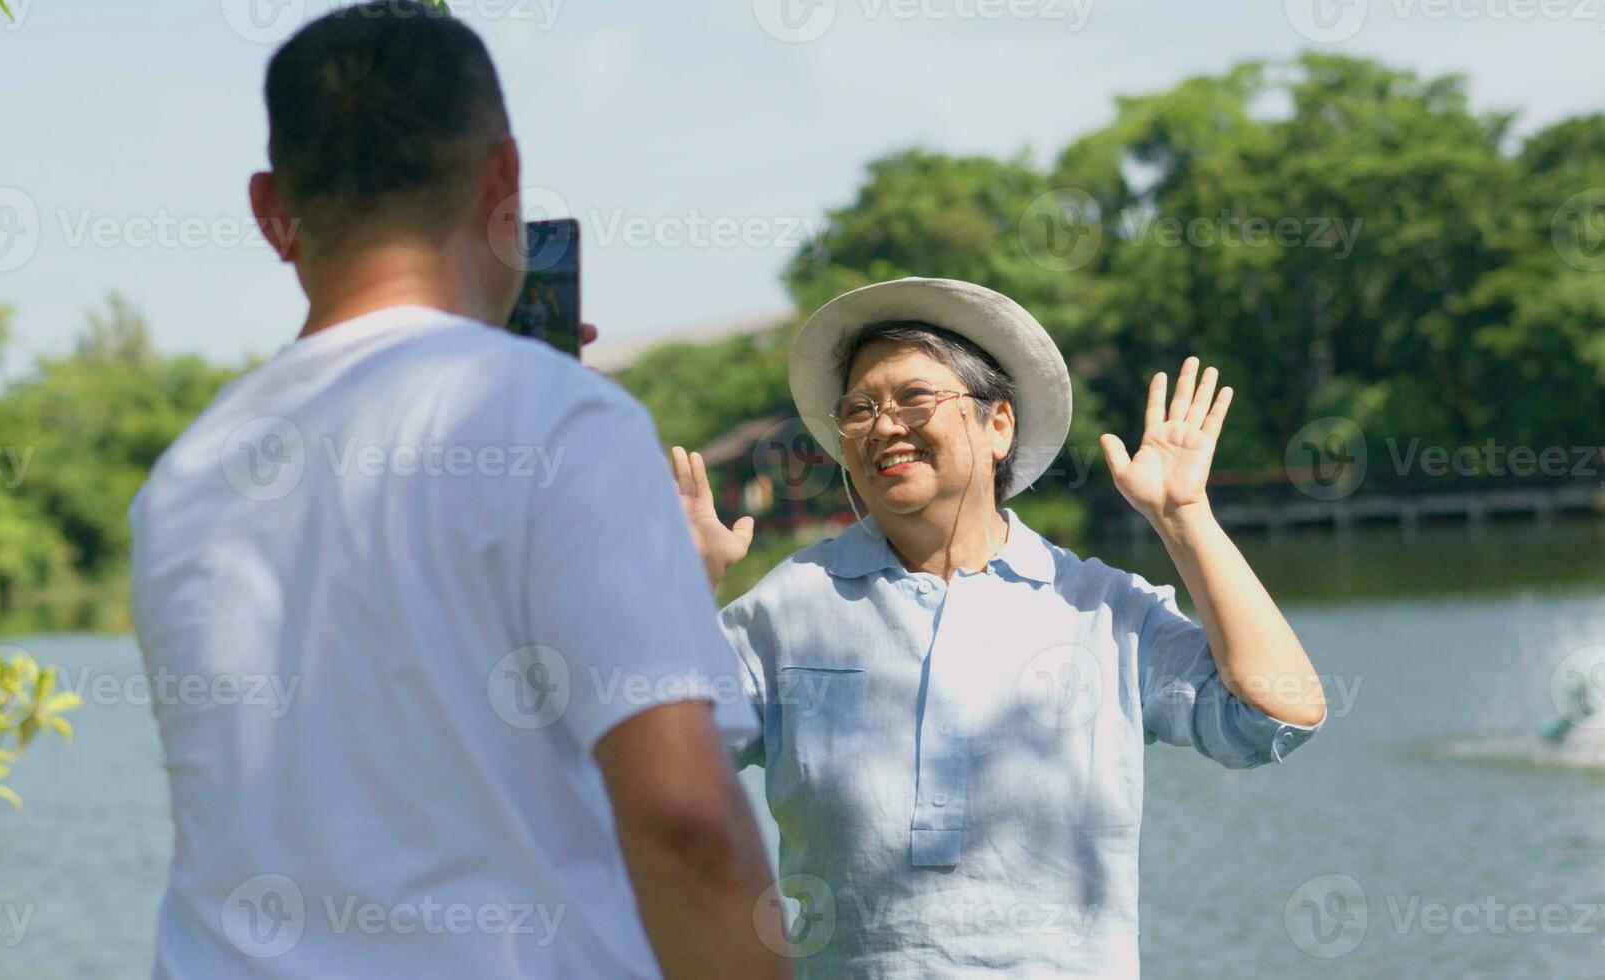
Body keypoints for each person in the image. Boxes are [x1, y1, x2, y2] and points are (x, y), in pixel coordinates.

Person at [129, 5, 789, 977]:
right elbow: (685, 821)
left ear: (272, 210)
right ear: (505, 182)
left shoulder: (183, 474)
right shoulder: (563, 423)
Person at [672, 277, 1329, 977]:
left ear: (998, 425)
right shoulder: (790, 606)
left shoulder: (1098, 607)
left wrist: (1182, 517)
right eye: (859, 409)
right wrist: (677, 595)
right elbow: (648, 758)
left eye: (914, 398)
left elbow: (1275, 715)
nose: (884, 425)